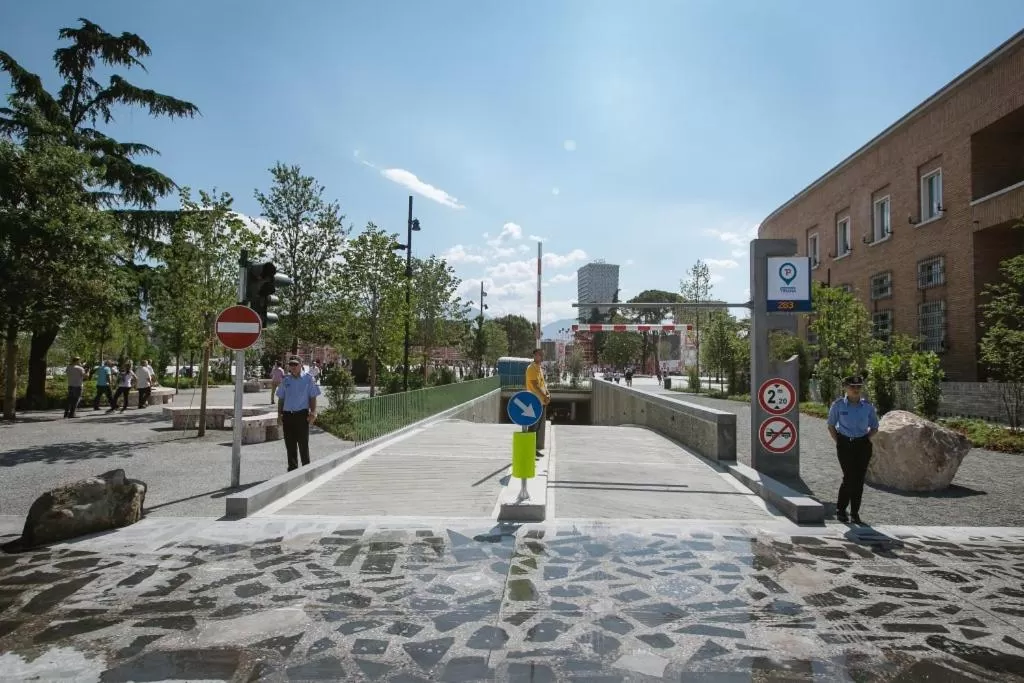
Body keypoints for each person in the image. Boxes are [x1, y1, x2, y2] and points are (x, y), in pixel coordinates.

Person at [827, 375, 880, 525]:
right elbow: (831, 425)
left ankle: (855, 513)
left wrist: (865, 440)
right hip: (844, 443)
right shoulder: (838, 405)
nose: (856, 390)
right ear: (845, 388)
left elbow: (875, 427)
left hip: (862, 444)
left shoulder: (868, 407)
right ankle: (841, 509)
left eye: (859, 387)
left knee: (859, 480)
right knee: (849, 477)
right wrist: (839, 442)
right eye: (852, 387)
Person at [276, 356, 321, 471]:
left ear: (301, 365)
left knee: (303, 444)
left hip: (301, 415)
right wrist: (279, 415)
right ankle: (292, 469)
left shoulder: (308, 379)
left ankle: (306, 469)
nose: (293, 367)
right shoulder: (285, 380)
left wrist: (313, 412)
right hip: (287, 415)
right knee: (290, 444)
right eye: (291, 364)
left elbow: (313, 397)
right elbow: (281, 398)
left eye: (295, 364)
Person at [525, 348, 550, 454]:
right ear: (534, 356)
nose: (540, 356)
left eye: (541, 354)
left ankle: (533, 450)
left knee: (538, 427)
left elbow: (542, 383)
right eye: (538, 354)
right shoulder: (531, 368)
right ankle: (529, 450)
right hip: (534, 401)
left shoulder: (539, 368)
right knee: (533, 426)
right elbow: (535, 384)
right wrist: (544, 395)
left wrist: (548, 393)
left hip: (542, 401)